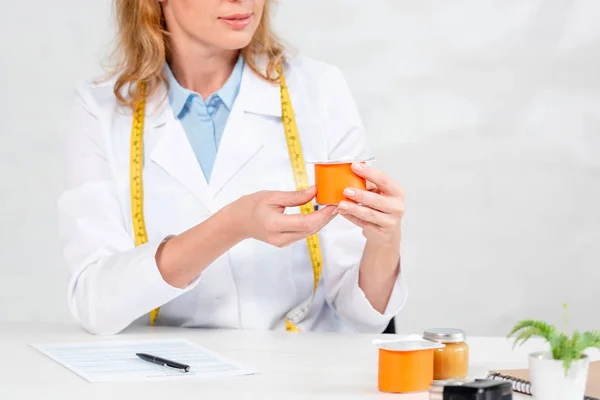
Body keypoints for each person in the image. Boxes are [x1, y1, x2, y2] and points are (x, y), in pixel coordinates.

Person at [58, 0, 408, 335]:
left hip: (298, 374)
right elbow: (95, 303)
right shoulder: (100, 109)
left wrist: (384, 241)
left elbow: (363, 316)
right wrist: (230, 227)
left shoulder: (318, 90)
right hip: (170, 376)